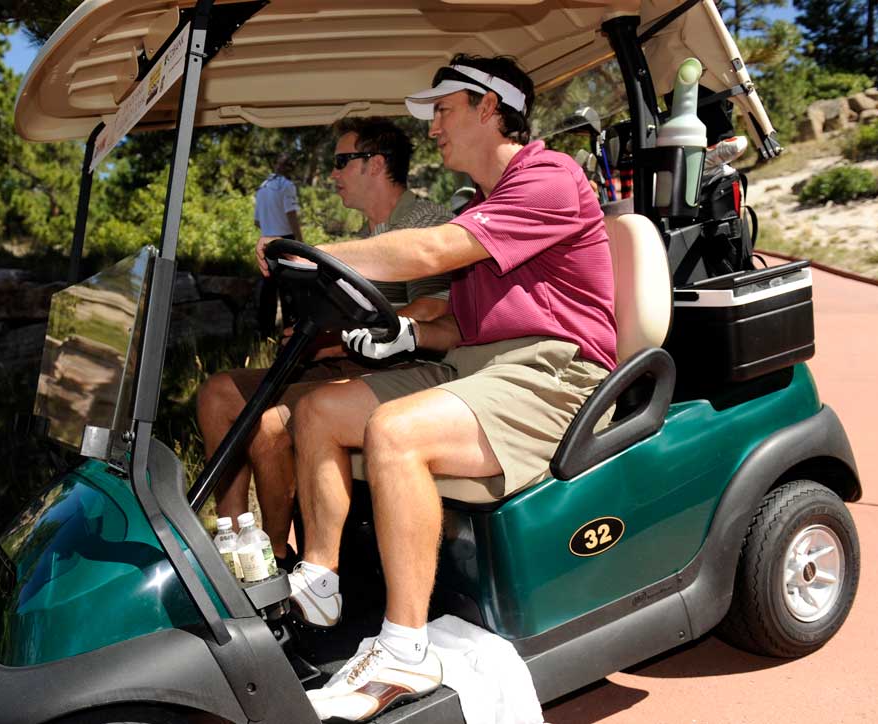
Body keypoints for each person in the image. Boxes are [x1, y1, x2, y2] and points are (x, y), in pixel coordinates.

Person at [261, 55, 618, 721]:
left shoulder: (548, 177)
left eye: (444, 110)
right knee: (318, 410)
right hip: (482, 365)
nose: (432, 130)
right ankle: (319, 585)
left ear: (490, 107)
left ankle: (405, 649)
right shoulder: (487, 205)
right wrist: (407, 335)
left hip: (555, 371)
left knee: (394, 434)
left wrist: (307, 253)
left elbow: (428, 255)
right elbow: (459, 322)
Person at [198, 118, 452, 570]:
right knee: (219, 392)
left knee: (269, 424)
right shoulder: (365, 237)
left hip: (396, 369)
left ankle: (276, 557)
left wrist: (337, 339)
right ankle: (233, 538)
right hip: (347, 361)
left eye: (341, 162)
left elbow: (431, 312)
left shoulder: (424, 222)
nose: (333, 174)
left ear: (375, 164)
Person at [253, 155, 302, 333]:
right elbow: (291, 214)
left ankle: (265, 333)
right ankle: (290, 333)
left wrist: (270, 222)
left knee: (268, 291)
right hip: (285, 240)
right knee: (289, 290)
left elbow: (257, 222)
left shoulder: (262, 187)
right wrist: (300, 241)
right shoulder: (287, 186)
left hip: (267, 242)